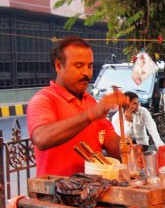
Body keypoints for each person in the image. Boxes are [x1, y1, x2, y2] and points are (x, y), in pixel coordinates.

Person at [27, 35, 127, 176]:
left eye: (90, 66)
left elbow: (110, 140)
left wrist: (128, 147)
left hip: (93, 191)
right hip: (57, 194)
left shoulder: (90, 101)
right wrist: (91, 114)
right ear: (58, 66)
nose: (87, 73)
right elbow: (41, 138)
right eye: (78, 66)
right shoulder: (44, 100)